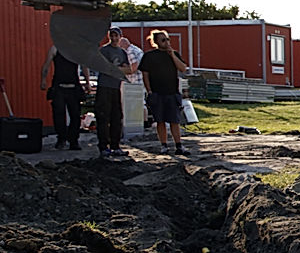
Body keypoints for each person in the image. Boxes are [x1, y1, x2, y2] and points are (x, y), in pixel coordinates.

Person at [140, 30, 190, 155]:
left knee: (175, 120)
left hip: (172, 92)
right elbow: (145, 74)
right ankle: (164, 145)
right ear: (156, 42)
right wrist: (149, 91)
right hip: (157, 93)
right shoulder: (149, 56)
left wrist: (172, 55)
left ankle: (179, 146)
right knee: (160, 120)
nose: (166, 42)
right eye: (163, 40)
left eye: (168, 39)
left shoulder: (174, 54)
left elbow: (183, 68)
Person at [40, 44, 89, 150]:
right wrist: (43, 80)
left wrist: (88, 82)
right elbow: (46, 65)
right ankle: (61, 139)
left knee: (75, 115)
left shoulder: (77, 50)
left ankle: (73, 141)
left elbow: (84, 66)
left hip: (73, 87)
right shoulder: (55, 48)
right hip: (59, 88)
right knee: (58, 115)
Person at [95, 28, 132, 158]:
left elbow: (129, 69)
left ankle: (115, 146)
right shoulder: (104, 50)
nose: (114, 38)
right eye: (112, 36)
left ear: (120, 37)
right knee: (103, 117)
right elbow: (102, 67)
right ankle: (103, 147)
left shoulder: (122, 52)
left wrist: (115, 69)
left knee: (117, 117)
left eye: (116, 36)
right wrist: (117, 69)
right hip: (104, 86)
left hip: (116, 87)